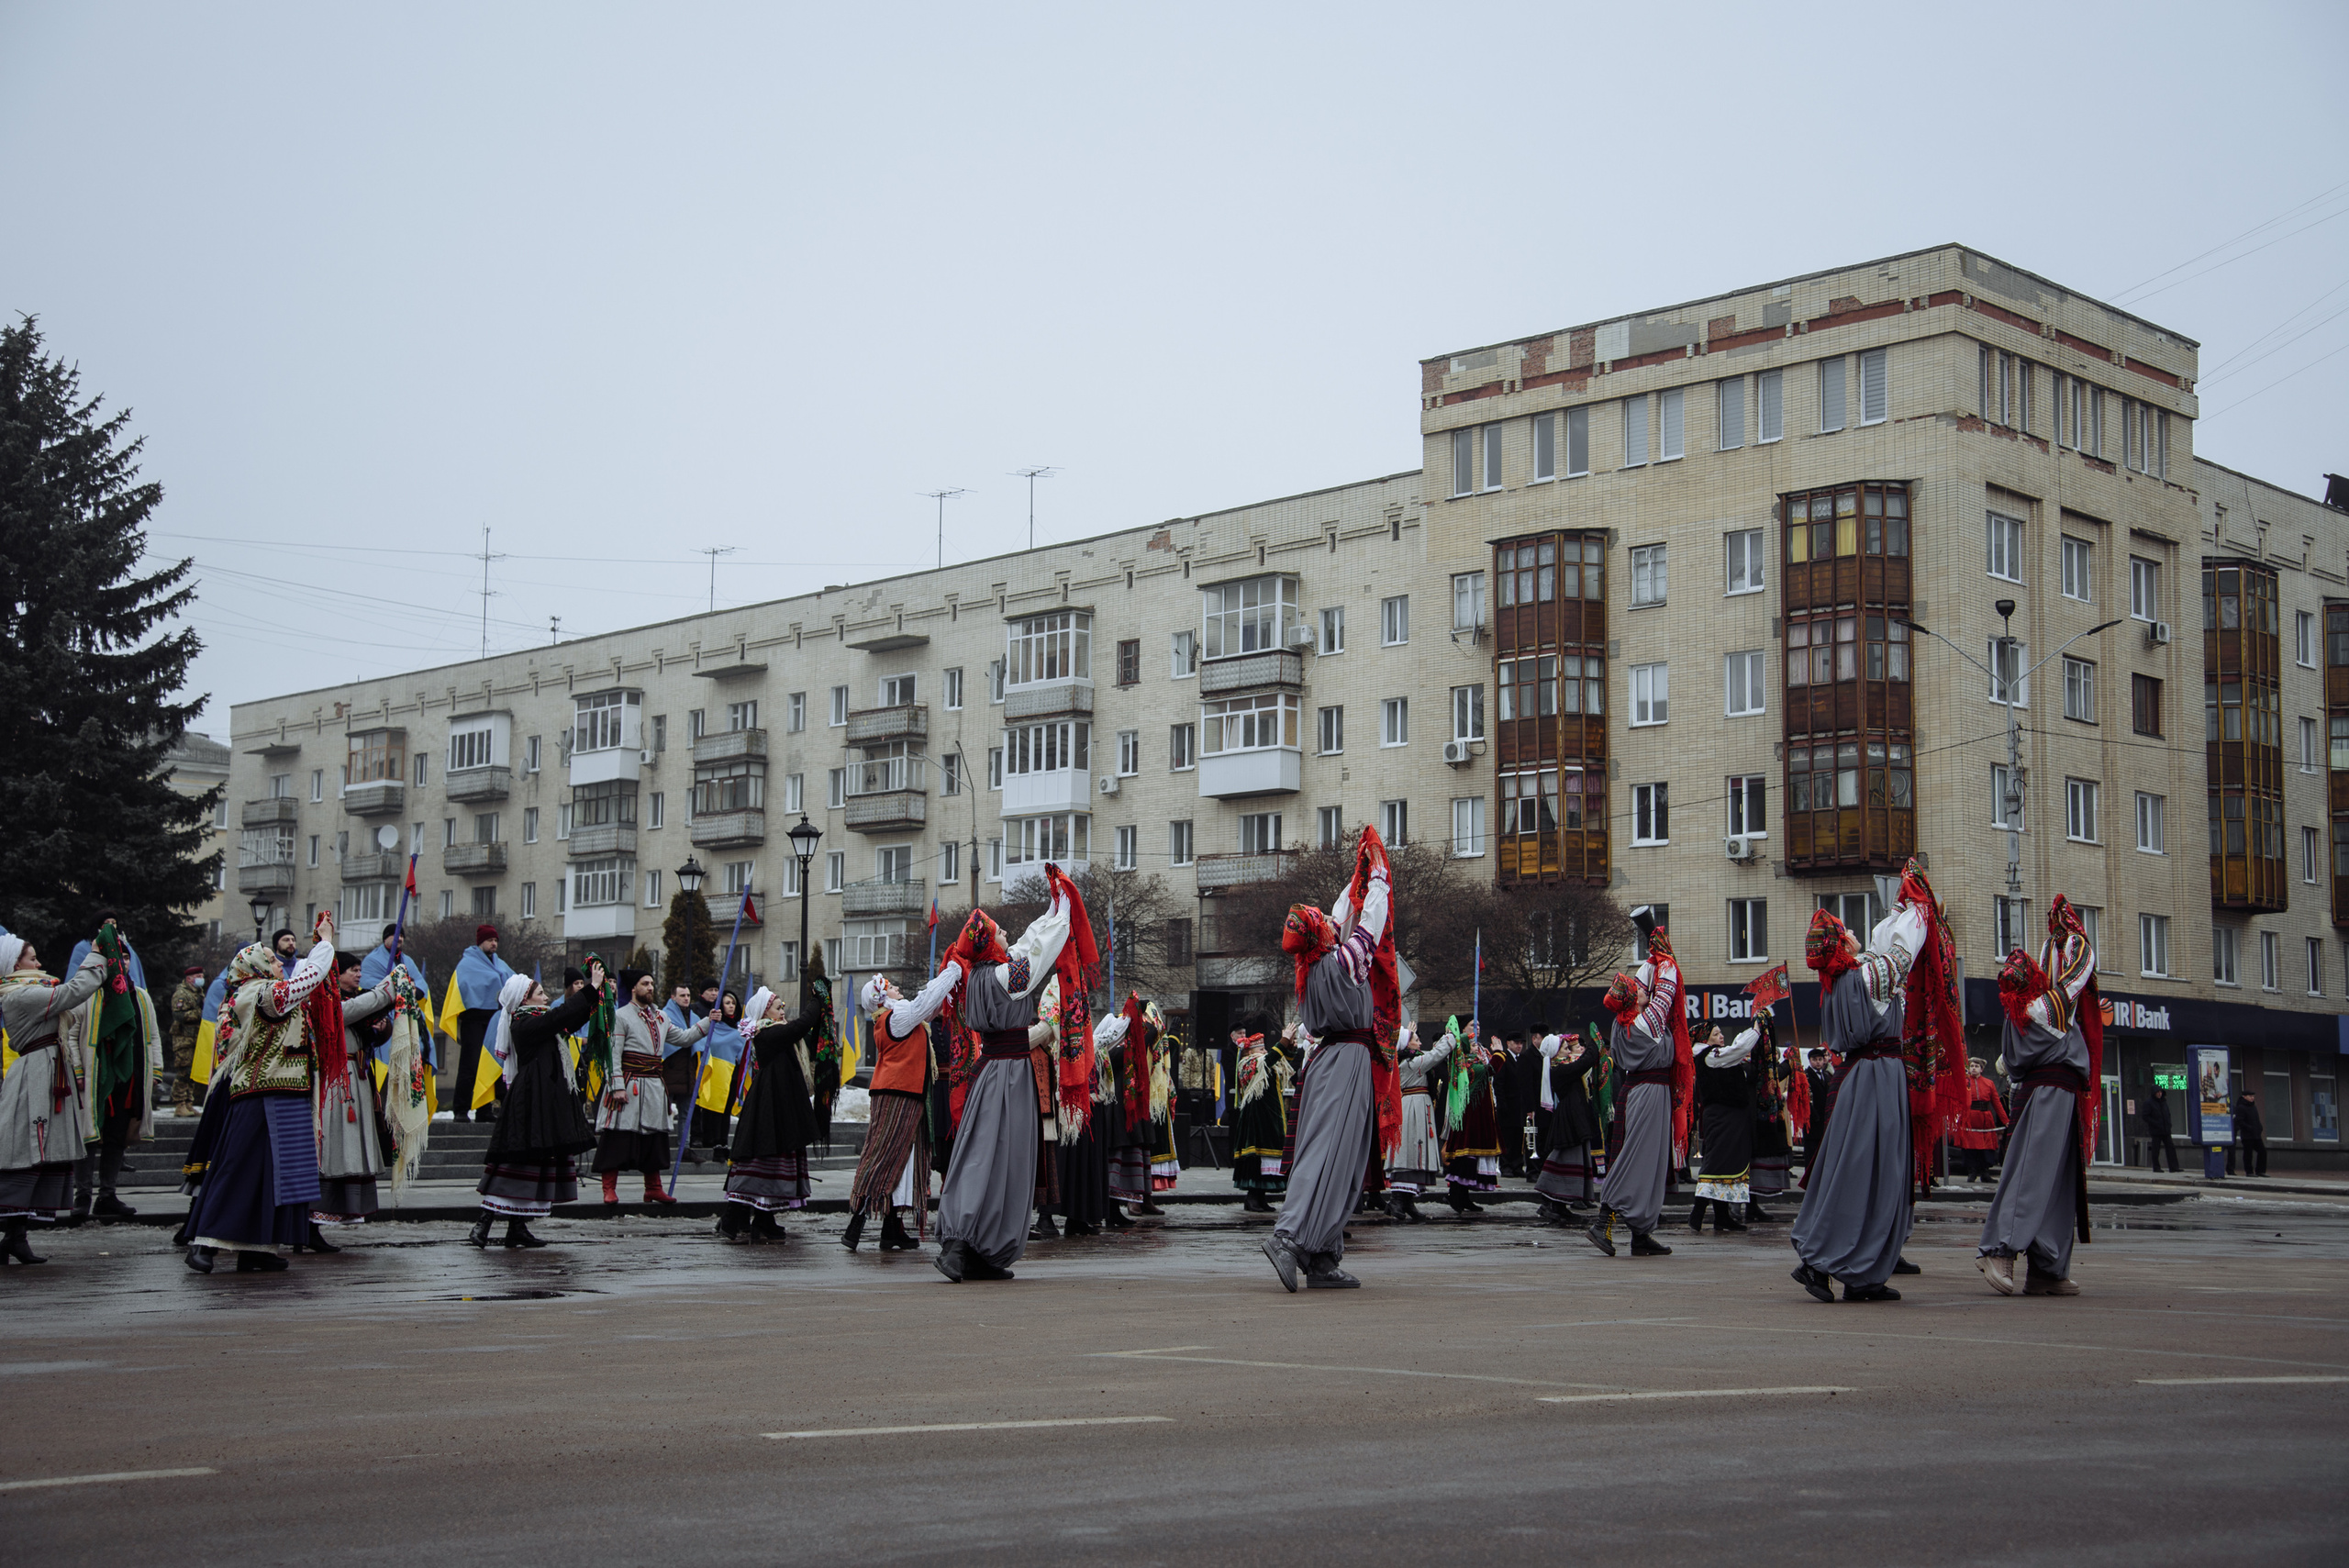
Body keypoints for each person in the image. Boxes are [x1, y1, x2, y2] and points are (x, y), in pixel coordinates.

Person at [885, 866, 1090, 1283]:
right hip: (1008, 1076)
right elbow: (1037, 954)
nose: (1006, 937)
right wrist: (1065, 911)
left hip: (995, 1073)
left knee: (995, 1158)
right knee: (994, 1159)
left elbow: (1030, 943)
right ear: (986, 944)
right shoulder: (1001, 977)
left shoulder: (976, 974)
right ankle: (962, 1246)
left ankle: (982, 1253)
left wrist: (1054, 906)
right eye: (999, 933)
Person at [1789, 864, 1955, 1305]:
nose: (1854, 934)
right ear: (1843, 943)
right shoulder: (1869, 975)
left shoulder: (1840, 979)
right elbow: (1903, 949)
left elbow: (1886, 941)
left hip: (1859, 1077)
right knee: (1871, 1171)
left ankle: (1861, 1274)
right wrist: (1919, 907)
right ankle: (1824, 1261)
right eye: (1847, 932)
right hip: (1878, 1076)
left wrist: (1902, 905)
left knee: (1858, 1167)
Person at [1262, 824, 1398, 1293]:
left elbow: (1342, 913)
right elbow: (1369, 921)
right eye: (1320, 918)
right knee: (1328, 1153)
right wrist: (1377, 874)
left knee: (1343, 1157)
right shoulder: (1342, 962)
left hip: (1331, 1061)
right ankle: (1290, 1238)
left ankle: (1321, 1254)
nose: (1327, 916)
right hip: (1346, 1066)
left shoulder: (1315, 965)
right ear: (1320, 934)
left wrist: (1357, 873)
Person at [183, 917, 342, 1273]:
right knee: (239, 1169)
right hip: (262, 1093)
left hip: (284, 1089)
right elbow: (307, 979)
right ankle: (205, 1242)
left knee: (279, 1174)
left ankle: (258, 1246)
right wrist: (325, 944)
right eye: (271, 959)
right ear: (253, 966)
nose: (278, 964)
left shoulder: (264, 992)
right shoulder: (256, 992)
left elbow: (310, 989)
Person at [1976, 900, 2102, 1296]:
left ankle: (2047, 1267)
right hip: (2047, 1092)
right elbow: (2074, 979)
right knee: (2031, 1174)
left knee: (2058, 1182)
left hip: (2060, 1091)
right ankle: (2000, 1250)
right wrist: (2070, 947)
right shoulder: (2042, 1008)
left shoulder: (2032, 1009)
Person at [469, 962, 604, 1248]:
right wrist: (589, 989)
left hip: (544, 1099)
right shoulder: (524, 1022)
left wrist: (596, 994)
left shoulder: (541, 1023)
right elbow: (559, 1017)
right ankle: (483, 1224)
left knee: (537, 1161)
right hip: (530, 1100)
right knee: (516, 1158)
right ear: (524, 1000)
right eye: (540, 993)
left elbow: (569, 1020)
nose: (545, 997)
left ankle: (517, 1227)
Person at [0, 926, 112, 1262]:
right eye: (32, 958)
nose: (39, 963)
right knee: (26, 1151)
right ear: (13, 964)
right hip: (33, 1077)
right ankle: (12, 1237)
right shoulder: (17, 995)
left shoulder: (32, 991)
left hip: (47, 1072)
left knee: (39, 1152)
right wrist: (97, 955)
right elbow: (71, 994)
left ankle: (15, 1239)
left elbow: (72, 1004)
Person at [1584, 909, 1688, 1260]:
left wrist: (1652, 942)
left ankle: (1642, 1233)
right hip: (1647, 1094)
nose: (1644, 992)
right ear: (1634, 1000)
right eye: (1639, 992)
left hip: (1643, 1091)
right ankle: (1604, 1221)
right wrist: (1661, 948)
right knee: (1635, 1159)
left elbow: (1649, 978)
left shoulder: (1624, 1021)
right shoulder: (1647, 1022)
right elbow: (1667, 981)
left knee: (1652, 1161)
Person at [61, 919, 163, 1224]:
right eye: (118, 956)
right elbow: (69, 1034)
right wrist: (78, 1071)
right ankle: (82, 1196)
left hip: (129, 1078)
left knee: (117, 1137)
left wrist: (155, 1071)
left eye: (127, 956)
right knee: (88, 1137)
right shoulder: (88, 994)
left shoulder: (141, 997)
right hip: (95, 1078)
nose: (124, 961)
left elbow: (153, 1036)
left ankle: (107, 1195)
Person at [594, 968, 710, 1206]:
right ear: (633, 988)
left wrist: (709, 1022)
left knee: (654, 1139)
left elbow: (684, 1038)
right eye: (645, 983)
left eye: (652, 983)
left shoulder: (661, 1017)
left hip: (654, 1085)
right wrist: (616, 1086)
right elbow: (613, 1054)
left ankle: (653, 1188)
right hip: (628, 1082)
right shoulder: (621, 1016)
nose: (650, 987)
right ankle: (609, 1188)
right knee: (618, 1136)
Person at [306, 951, 399, 1251]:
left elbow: (371, 1028)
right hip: (335, 1080)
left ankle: (324, 1221)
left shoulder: (356, 1000)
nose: (358, 974)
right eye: (352, 970)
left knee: (351, 1150)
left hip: (357, 1079)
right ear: (337, 973)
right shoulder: (323, 998)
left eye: (360, 969)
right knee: (332, 1150)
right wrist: (384, 991)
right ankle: (309, 1224)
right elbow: (343, 1013)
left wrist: (383, 1027)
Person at [718, 984, 823, 1242]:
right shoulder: (766, 1034)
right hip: (768, 1108)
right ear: (765, 1014)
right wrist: (818, 1001)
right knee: (762, 1156)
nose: (782, 1011)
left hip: (779, 1105)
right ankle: (737, 1217)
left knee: (773, 1157)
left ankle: (762, 1218)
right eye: (778, 1008)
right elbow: (801, 1026)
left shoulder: (773, 1032)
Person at [846, 973, 941, 1251]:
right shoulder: (895, 1018)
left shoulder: (901, 1015)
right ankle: (858, 1219)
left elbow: (931, 1005)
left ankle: (892, 1227)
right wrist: (950, 973)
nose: (897, 988)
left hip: (910, 1093)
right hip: (897, 1093)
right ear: (881, 998)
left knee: (907, 1160)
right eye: (890, 987)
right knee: (884, 1155)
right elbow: (926, 1003)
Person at [1108, 1003, 1176, 1218]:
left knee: (1142, 1149)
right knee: (1125, 1153)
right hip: (1122, 1103)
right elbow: (1130, 1050)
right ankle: (1120, 1205)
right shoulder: (1117, 1042)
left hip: (1139, 1099)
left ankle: (1144, 1198)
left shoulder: (1134, 1041)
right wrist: (1146, 1030)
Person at [1689, 1023, 1755, 1233]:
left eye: (1720, 1032)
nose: (1721, 1036)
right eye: (1715, 1034)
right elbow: (1739, 1049)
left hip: (1729, 1115)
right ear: (1704, 1039)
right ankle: (1697, 1212)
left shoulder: (1716, 1056)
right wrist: (1755, 1029)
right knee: (1716, 1161)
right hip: (1720, 1115)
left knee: (1726, 1162)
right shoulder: (1709, 1056)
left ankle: (1722, 1216)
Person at [1533, 1026, 1603, 1223]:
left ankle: (1558, 1204)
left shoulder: (1561, 1067)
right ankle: (1552, 1201)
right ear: (1556, 1053)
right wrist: (1593, 1043)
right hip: (1569, 1118)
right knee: (1564, 1157)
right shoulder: (1560, 1069)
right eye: (1565, 1048)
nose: (1569, 1051)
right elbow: (1585, 1062)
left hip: (1574, 1116)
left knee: (1571, 1157)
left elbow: (1583, 1064)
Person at [445, 926, 514, 1122]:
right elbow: (461, 987)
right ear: (480, 942)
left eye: (496, 940)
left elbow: (513, 982)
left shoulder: (500, 964)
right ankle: (461, 1109)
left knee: (491, 1064)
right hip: (474, 1020)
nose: (494, 943)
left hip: (494, 1020)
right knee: (470, 1064)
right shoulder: (467, 963)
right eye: (490, 940)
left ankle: (484, 1110)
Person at [1386, 1022, 1451, 1222]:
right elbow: (1435, 1055)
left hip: (1417, 1105)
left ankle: (1406, 1201)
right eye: (1416, 1040)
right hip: (1411, 1108)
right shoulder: (1411, 1063)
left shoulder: (1410, 1060)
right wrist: (1449, 1038)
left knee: (1415, 1152)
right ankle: (1397, 1200)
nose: (1420, 1042)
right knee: (1408, 1151)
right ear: (1407, 1046)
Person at [1440, 1022, 1502, 1215]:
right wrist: (1500, 1053)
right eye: (1473, 1046)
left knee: (1471, 1158)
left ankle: (1464, 1197)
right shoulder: (1468, 1066)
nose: (1477, 1048)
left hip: (1476, 1117)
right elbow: (1491, 1070)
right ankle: (1455, 1196)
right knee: (1465, 1158)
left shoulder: (1472, 1062)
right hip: (1469, 1120)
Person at [1230, 1020, 1292, 1214]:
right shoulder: (1249, 1063)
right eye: (1261, 1048)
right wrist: (1283, 1040)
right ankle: (1252, 1197)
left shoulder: (1261, 1062)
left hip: (1268, 1117)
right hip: (1255, 1119)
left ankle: (1260, 1197)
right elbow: (1271, 1058)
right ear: (1250, 1051)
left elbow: (1281, 1059)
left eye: (1265, 1048)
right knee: (1256, 1157)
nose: (1264, 1051)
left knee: (1265, 1159)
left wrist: (1291, 1044)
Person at [1747, 1017, 1793, 1222]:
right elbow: (1768, 1076)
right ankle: (1747, 1207)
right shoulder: (1753, 1064)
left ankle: (1752, 1207)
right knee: (1752, 1166)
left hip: (1765, 1120)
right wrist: (1789, 1065)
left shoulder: (1764, 1064)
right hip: (1757, 1121)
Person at [1954, 1058, 2009, 1181]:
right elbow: (1957, 1101)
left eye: (1976, 1066)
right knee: (1970, 1147)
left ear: (1981, 1069)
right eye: (1971, 1066)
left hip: (1985, 1119)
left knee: (1986, 1147)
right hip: (1969, 1118)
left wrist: (2005, 1120)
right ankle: (1971, 1172)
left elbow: (1997, 1104)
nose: (1973, 1068)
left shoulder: (1989, 1083)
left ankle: (1985, 1173)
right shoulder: (1964, 1082)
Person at [170, 963, 206, 1117]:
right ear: (189, 978)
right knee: (184, 1071)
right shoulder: (181, 994)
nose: (201, 979)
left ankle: (189, 1103)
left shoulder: (199, 993)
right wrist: (199, 1013)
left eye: (202, 977)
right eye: (198, 977)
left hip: (196, 1039)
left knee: (193, 1072)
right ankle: (180, 1104)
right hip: (184, 1040)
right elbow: (179, 1015)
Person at [2142, 1085, 2178, 1173]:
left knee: (2171, 1148)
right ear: (2154, 1093)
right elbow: (2145, 1116)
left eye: (2161, 1092)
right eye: (2158, 1092)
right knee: (2156, 1149)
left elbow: (2167, 1114)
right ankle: (2156, 1167)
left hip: (2166, 1129)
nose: (2159, 1094)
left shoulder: (2163, 1102)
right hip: (2156, 1130)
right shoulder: (2149, 1103)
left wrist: (2169, 1124)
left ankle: (2174, 1167)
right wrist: (2155, 1123)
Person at [2235, 1090, 2268, 1177]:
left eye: (2253, 1096)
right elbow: (2239, 1121)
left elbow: (2256, 1119)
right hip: (2247, 1135)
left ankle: (2260, 1171)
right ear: (2244, 1097)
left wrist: (2259, 1127)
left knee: (2262, 1151)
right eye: (2250, 1096)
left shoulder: (2253, 1107)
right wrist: (2249, 1128)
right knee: (2248, 1153)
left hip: (2256, 1134)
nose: (2252, 1098)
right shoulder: (2241, 1107)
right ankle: (2249, 1171)